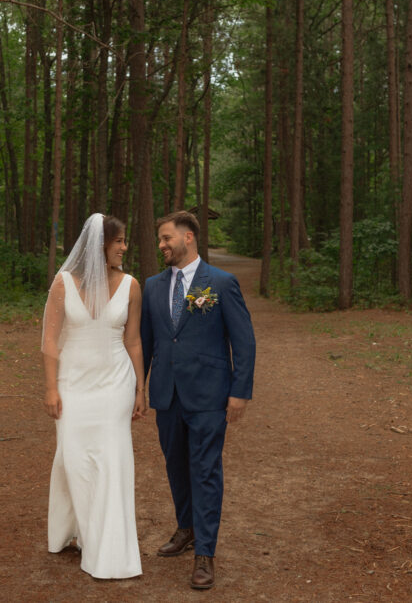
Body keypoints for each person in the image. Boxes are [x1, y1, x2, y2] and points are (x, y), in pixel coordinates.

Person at [140, 210, 256, 590]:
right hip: (166, 394)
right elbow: (146, 342)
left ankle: (205, 552)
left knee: (205, 470)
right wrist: (139, 387)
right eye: (160, 239)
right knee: (176, 465)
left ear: (188, 238)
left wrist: (239, 392)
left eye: (166, 238)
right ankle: (186, 527)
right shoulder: (153, 286)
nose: (161, 245)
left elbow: (244, 341)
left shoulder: (221, 283)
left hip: (209, 394)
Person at [41, 213, 147, 579]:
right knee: (74, 459)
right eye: (119, 241)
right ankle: (79, 530)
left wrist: (140, 387)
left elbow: (133, 340)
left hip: (115, 383)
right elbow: (50, 342)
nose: (124, 247)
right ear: (100, 245)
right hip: (73, 383)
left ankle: (109, 547)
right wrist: (51, 387)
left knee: (111, 458)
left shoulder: (132, 285)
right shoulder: (63, 283)